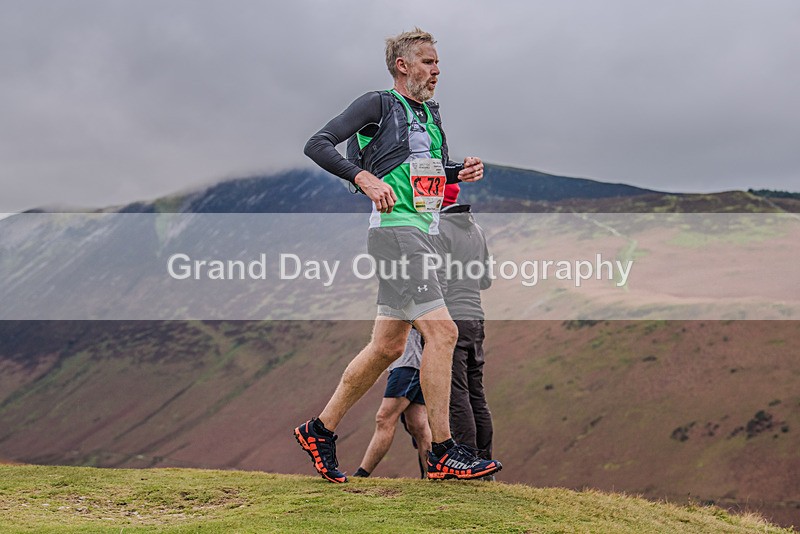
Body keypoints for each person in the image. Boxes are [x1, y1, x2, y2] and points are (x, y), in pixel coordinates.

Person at [294, 28, 502, 482]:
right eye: (428, 61)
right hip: (395, 233)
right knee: (443, 333)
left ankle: (320, 428)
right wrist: (362, 179)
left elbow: (425, 172)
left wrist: (459, 170)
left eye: (438, 62)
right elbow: (318, 144)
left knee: (387, 346)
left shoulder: (430, 115)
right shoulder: (378, 104)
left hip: (423, 232)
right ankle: (445, 452)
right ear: (402, 65)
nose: (437, 69)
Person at [352, 328, 431, 479]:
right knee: (418, 424)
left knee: (384, 418)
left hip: (408, 363)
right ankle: (431, 475)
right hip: (412, 362)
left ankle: (361, 474)